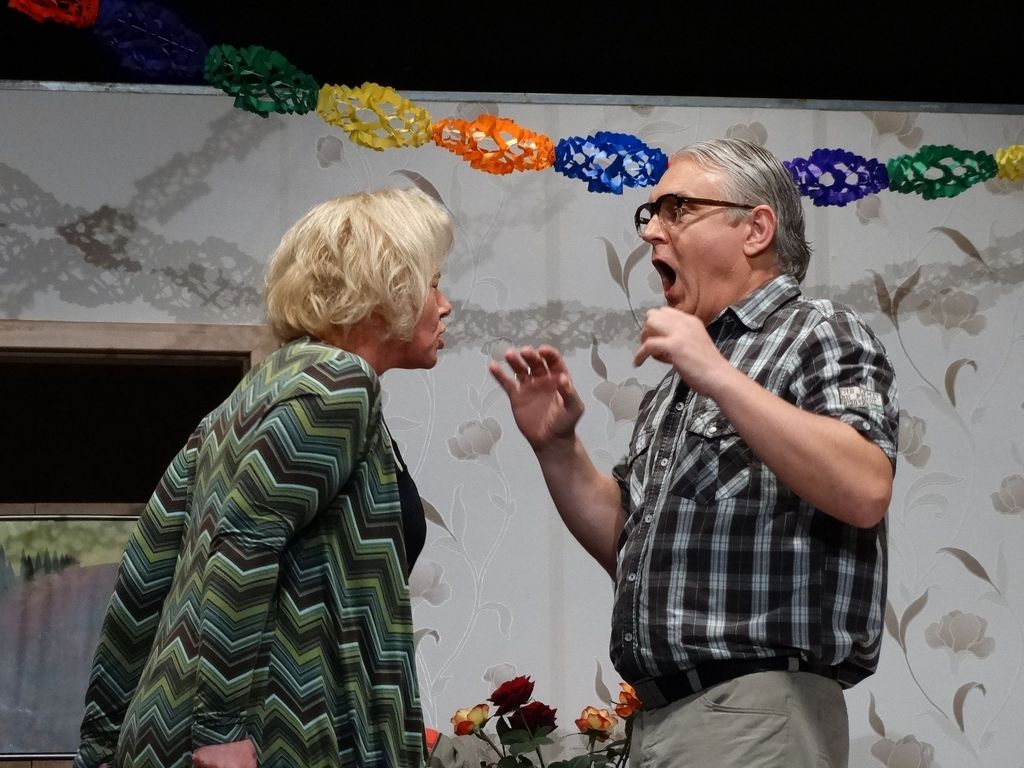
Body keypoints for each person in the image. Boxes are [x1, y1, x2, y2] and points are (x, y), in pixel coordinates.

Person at [489, 138, 898, 768]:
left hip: (759, 709)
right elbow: (630, 546)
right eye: (649, 213)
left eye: (676, 209)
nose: (651, 230)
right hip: (662, 718)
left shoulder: (817, 331)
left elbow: (866, 488)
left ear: (755, 229)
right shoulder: (681, 380)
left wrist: (716, 374)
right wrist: (557, 448)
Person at [73, 186, 454, 768]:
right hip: (272, 737)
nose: (445, 305)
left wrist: (102, 741)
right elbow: (243, 548)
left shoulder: (257, 390)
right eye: (433, 284)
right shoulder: (339, 385)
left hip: (180, 728)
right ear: (386, 288)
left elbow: (148, 567)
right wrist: (218, 734)